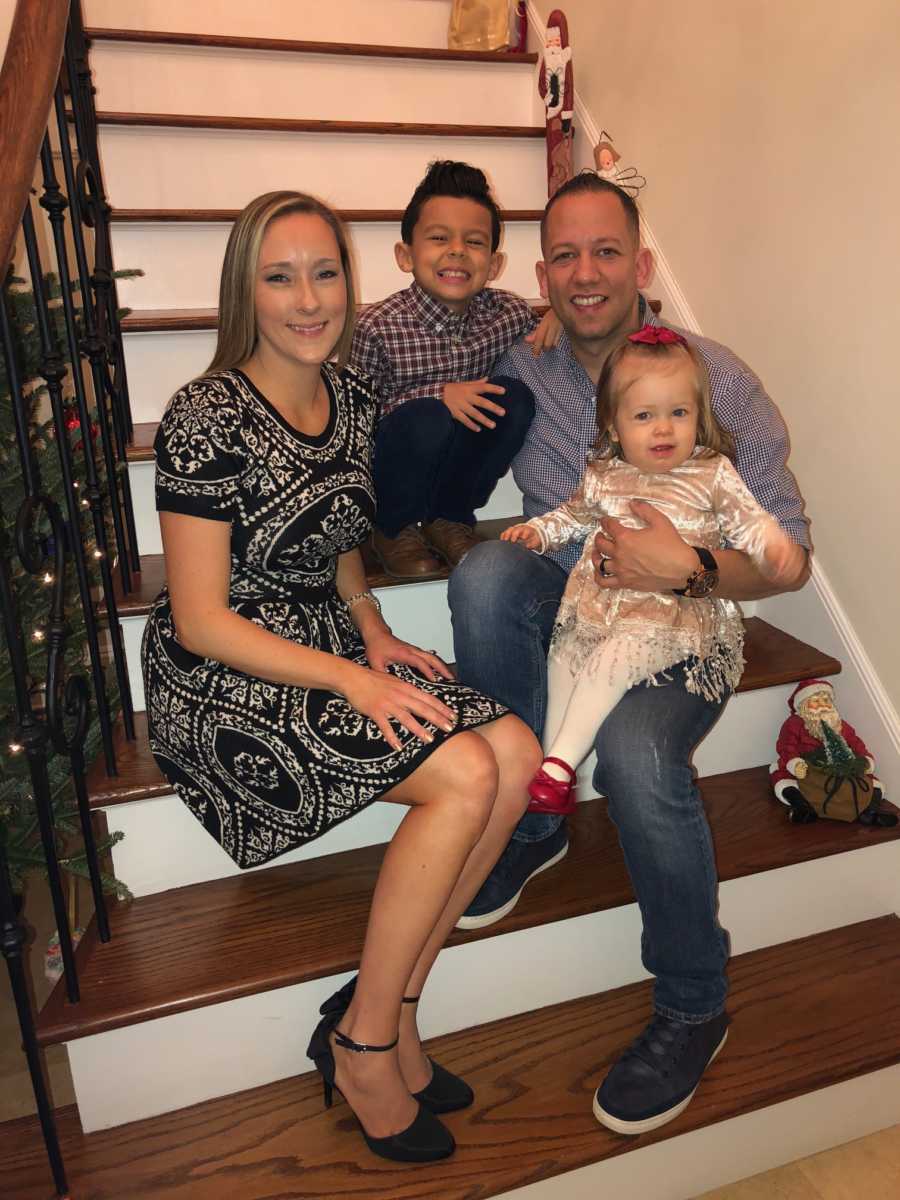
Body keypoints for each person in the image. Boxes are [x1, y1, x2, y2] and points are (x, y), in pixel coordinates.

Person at [141, 191, 541, 1163]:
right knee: (462, 776)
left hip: (324, 639)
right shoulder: (204, 414)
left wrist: (370, 630)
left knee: (516, 751)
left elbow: (333, 536)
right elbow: (201, 617)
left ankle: (391, 1009)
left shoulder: (354, 395)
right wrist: (353, 679)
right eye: (280, 277)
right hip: (223, 674)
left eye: (325, 273)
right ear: (247, 289)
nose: (308, 299)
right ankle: (365, 1044)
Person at [448, 172, 810, 1134]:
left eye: (606, 250)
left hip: (685, 626)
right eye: (564, 255)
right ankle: (531, 824)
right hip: (571, 607)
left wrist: (685, 565)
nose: (587, 272)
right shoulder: (524, 370)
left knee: (642, 761)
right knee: (484, 574)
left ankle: (695, 1003)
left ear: (642, 264)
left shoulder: (715, 378)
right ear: (541, 277)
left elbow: (789, 560)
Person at [501, 325, 803, 815]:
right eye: (645, 416)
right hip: (595, 607)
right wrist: (539, 531)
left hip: (667, 616)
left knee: (610, 663)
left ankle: (558, 765)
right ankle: (553, 760)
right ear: (616, 427)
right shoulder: (603, 472)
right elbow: (573, 516)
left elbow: (750, 521)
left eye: (678, 413)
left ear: (699, 417)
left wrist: (773, 547)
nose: (664, 429)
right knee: (565, 660)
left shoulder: (711, 471)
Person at [350, 160, 552, 578]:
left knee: (513, 398)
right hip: (394, 473)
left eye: (474, 242)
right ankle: (391, 530)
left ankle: (449, 519)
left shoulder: (506, 314)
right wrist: (438, 395)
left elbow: (548, 340)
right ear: (405, 255)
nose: (457, 251)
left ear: (494, 266)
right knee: (428, 417)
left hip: (454, 474)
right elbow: (355, 424)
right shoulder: (376, 327)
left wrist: (560, 317)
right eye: (439, 238)